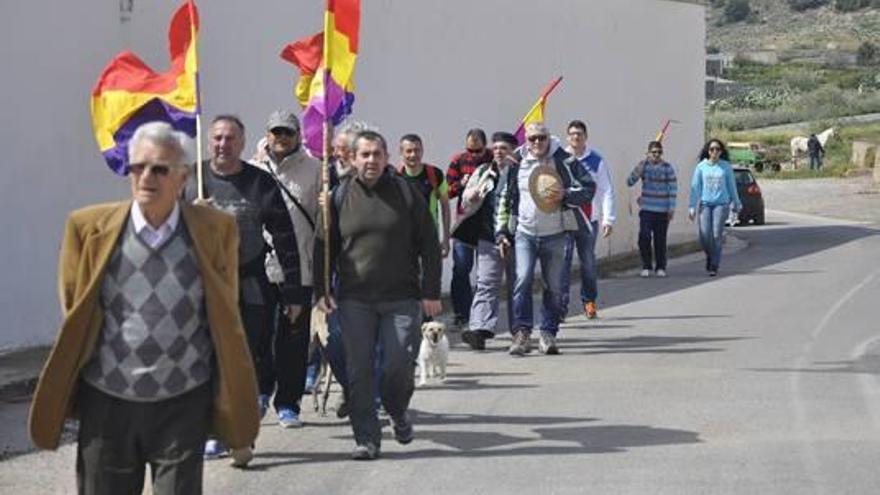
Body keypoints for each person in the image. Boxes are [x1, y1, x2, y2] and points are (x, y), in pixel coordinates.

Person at [28, 122, 260, 494]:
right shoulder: (89, 229)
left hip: (183, 398)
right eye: (138, 167)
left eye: (159, 168)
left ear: (182, 176)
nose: (146, 176)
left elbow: (223, 308)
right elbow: (76, 304)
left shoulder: (214, 229)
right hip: (108, 399)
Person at [185, 115, 308, 458]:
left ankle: (240, 430)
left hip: (251, 284)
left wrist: (296, 291)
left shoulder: (260, 183)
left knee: (246, 361)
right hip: (203, 285)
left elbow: (284, 237)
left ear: (243, 142)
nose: (223, 144)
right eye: (218, 138)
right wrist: (189, 214)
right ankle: (212, 429)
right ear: (210, 141)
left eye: (230, 138)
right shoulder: (190, 179)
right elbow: (162, 230)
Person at [314, 130, 442, 460]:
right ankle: (366, 439)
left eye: (377, 154)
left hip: (401, 299)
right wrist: (322, 290)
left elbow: (429, 243)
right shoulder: (337, 198)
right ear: (353, 159)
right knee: (359, 370)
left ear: (387, 158)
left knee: (398, 367)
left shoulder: (406, 193)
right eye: (365, 155)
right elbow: (321, 248)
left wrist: (430, 290)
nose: (371, 160)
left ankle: (397, 411)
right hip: (355, 300)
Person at [495, 123, 595, 356]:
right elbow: (503, 199)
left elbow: (589, 186)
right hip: (524, 234)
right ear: (526, 141)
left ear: (548, 138)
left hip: (556, 234)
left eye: (541, 138)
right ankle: (522, 333)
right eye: (532, 139)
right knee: (522, 280)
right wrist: (501, 232)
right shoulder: (515, 164)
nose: (537, 143)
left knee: (555, 286)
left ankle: (548, 333)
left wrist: (566, 195)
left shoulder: (564, 160)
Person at [252, 110, 321, 428]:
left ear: (298, 136)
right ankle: (263, 390)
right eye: (276, 132)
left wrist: (327, 206)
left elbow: (324, 222)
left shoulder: (315, 169)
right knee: (260, 336)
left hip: (299, 268)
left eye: (287, 133)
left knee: (294, 340)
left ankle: (288, 402)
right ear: (267, 134)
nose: (281, 138)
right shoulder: (252, 168)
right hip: (259, 268)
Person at [457, 131, 519, 350]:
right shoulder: (484, 171)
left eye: (504, 148)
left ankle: (519, 330)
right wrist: (471, 194)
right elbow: (466, 201)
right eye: (496, 148)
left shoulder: (520, 173)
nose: (499, 152)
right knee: (486, 284)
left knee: (517, 286)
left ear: (514, 151)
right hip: (487, 236)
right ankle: (479, 330)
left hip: (517, 238)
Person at [561, 120, 614, 319]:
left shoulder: (595, 160)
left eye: (579, 134)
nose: (576, 137)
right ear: (568, 137)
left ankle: (589, 301)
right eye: (572, 134)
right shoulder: (561, 159)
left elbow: (606, 190)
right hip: (565, 219)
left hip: (588, 219)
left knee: (588, 262)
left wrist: (608, 219)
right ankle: (561, 305)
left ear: (586, 137)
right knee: (563, 262)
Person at [446, 129, 493, 326]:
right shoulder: (458, 160)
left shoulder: (493, 158)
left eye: (477, 151)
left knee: (486, 274)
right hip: (465, 222)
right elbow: (447, 191)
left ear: (485, 146)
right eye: (470, 150)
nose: (473, 155)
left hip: (487, 224)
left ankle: (482, 315)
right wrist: (460, 185)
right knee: (461, 270)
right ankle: (461, 313)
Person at [688, 139, 742, 277]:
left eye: (717, 149)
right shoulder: (701, 167)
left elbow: (731, 186)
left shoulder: (726, 167)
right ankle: (710, 256)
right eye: (712, 149)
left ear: (721, 152)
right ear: (708, 151)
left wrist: (736, 202)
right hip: (705, 204)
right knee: (705, 236)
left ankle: (714, 265)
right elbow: (695, 188)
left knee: (716, 234)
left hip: (721, 205)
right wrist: (692, 206)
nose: (714, 152)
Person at [627, 140, 678, 277]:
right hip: (647, 208)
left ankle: (661, 266)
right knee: (644, 236)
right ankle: (646, 265)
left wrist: (671, 208)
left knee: (660, 239)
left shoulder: (667, 167)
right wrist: (638, 169)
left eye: (659, 152)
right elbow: (629, 182)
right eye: (654, 152)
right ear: (648, 153)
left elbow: (673, 188)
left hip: (662, 209)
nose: (657, 155)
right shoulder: (643, 166)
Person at [397, 134, 451, 258]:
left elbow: (445, 208)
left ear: (422, 151)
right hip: (403, 242)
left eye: (417, 150)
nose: (413, 155)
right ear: (401, 152)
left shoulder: (435, 174)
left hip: (429, 239)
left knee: (428, 277)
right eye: (409, 151)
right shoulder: (395, 177)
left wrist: (446, 239)